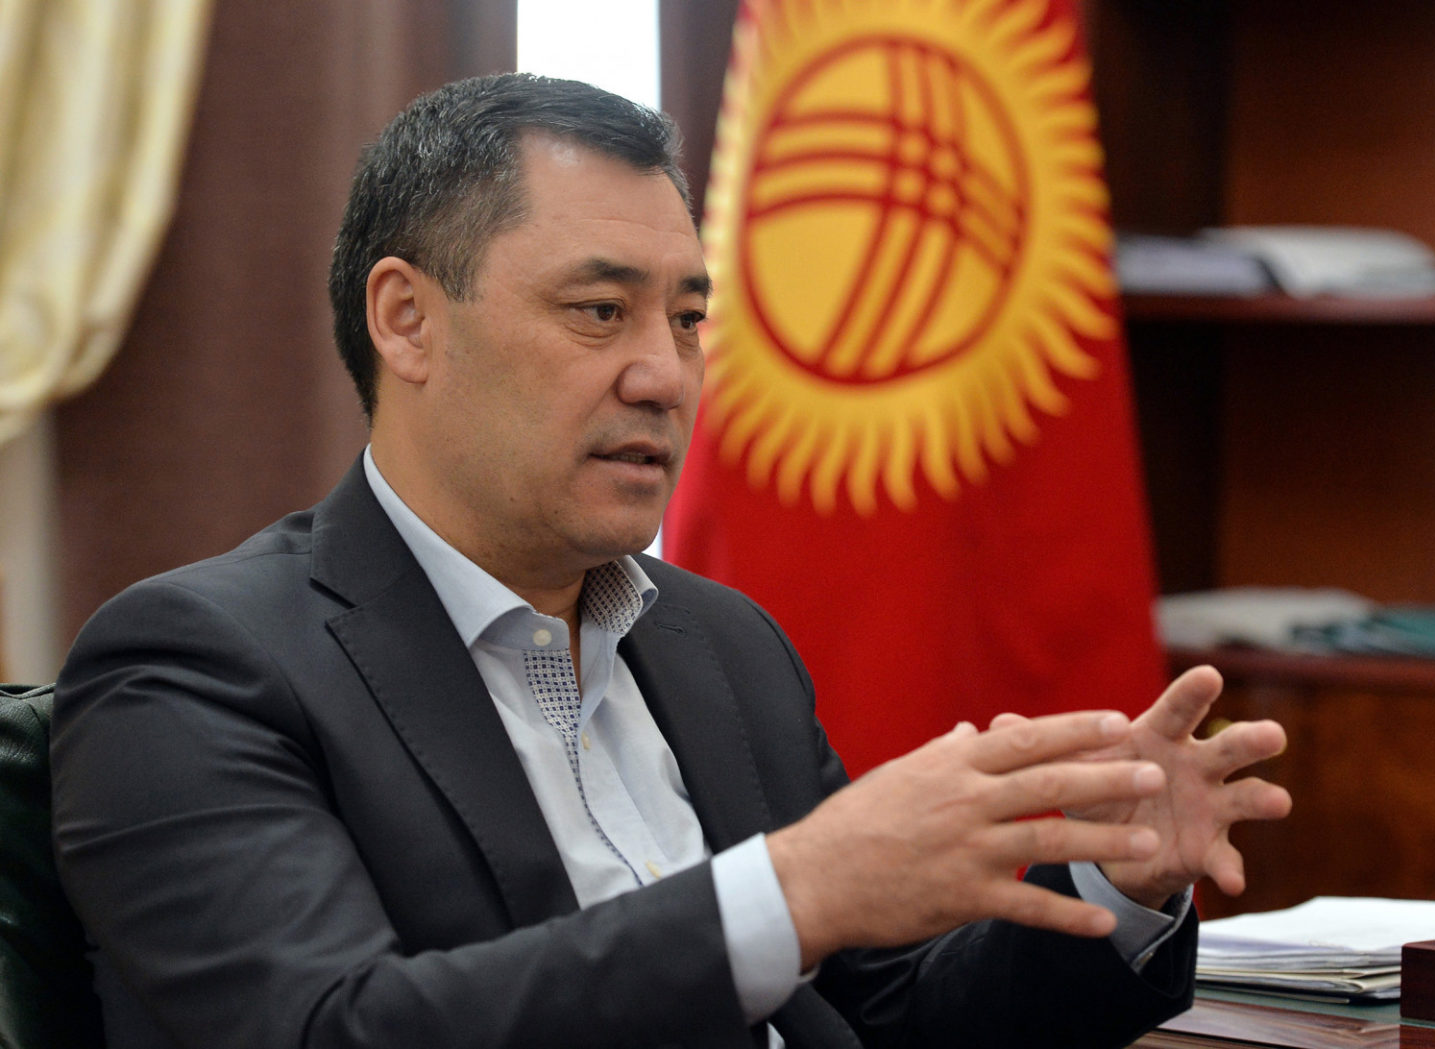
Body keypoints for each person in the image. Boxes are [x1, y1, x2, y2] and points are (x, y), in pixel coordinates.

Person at [51, 73, 1290, 1049]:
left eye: (688, 318)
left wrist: (1114, 887)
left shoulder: (722, 644)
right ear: (407, 320)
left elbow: (885, 1015)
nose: (665, 374)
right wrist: (790, 892)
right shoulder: (197, 665)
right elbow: (332, 1028)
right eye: (600, 312)